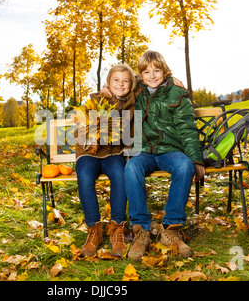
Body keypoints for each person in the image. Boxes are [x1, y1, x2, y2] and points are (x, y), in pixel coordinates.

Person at [125, 50, 206, 261]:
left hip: (170, 149)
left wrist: (196, 159)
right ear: (140, 75)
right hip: (144, 151)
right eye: (146, 72)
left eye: (157, 71)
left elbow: (187, 129)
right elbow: (120, 80)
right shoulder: (136, 91)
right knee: (131, 168)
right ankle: (141, 231)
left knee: (184, 166)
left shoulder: (176, 94)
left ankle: (170, 229)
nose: (152, 76)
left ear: (165, 71)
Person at [75, 64, 137, 257]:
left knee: (120, 174)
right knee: (84, 176)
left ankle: (117, 227)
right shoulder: (96, 99)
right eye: (116, 80)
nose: (121, 84)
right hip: (90, 152)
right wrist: (89, 134)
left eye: (125, 81)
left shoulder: (134, 99)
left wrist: (171, 78)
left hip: (114, 153)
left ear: (131, 84)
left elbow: (149, 78)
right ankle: (94, 229)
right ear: (108, 83)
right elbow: (80, 126)